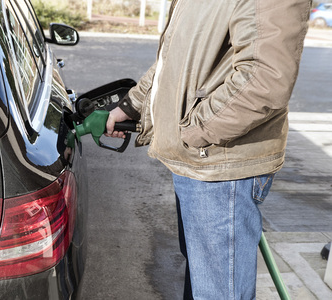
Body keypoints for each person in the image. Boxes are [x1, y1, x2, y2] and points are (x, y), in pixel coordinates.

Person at [106, 0, 311, 299]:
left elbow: (266, 78)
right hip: (199, 161)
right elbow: (173, 60)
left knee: (217, 292)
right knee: (204, 283)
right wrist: (132, 103)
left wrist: (193, 129)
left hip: (221, 167)